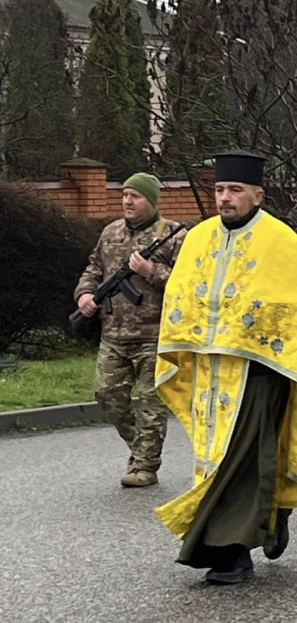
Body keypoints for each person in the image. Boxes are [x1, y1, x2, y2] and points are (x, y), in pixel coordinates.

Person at [154, 150, 297, 585]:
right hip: (210, 373)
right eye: (219, 190)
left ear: (257, 194)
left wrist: (253, 333)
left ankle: (230, 551)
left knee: (243, 460)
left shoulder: (282, 241)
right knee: (214, 460)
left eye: (234, 190)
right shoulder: (198, 238)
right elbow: (182, 295)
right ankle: (265, 523)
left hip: (259, 372)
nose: (225, 198)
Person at [73, 172, 186, 488]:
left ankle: (145, 467)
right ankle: (141, 449)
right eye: (124, 195)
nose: (127, 201)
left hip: (156, 335)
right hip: (114, 334)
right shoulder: (110, 232)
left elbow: (188, 284)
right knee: (107, 395)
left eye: (134, 196)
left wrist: (152, 271)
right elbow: (94, 267)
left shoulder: (174, 235)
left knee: (152, 405)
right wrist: (84, 294)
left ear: (151, 200)